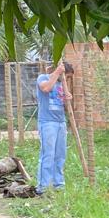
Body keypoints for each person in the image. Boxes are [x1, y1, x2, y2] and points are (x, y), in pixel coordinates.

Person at [35, 60, 73, 194]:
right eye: (66, 76)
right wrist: (57, 72)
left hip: (60, 122)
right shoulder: (43, 78)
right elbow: (46, 88)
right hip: (47, 122)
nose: (66, 79)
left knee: (60, 155)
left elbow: (64, 104)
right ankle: (42, 187)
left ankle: (59, 185)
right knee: (47, 154)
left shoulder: (61, 83)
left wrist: (68, 97)